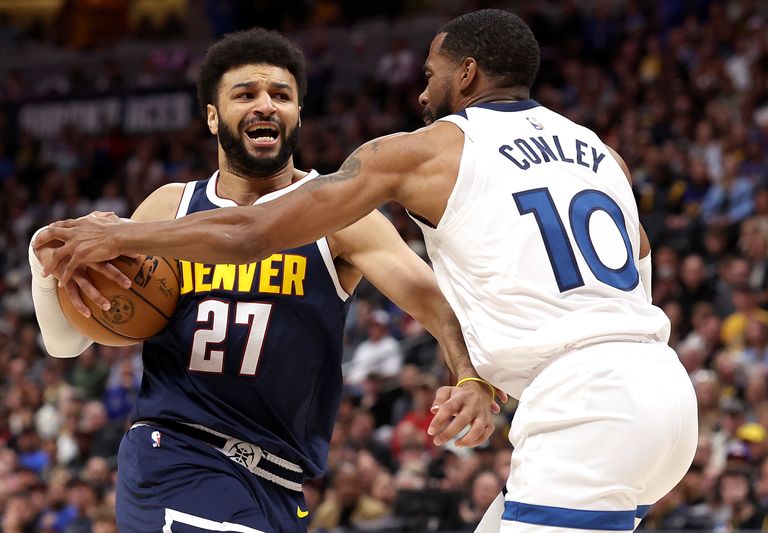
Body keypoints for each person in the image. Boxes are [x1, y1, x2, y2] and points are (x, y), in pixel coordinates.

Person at [37, 10, 699, 533]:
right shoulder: (598, 152)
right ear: (213, 114)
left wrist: (119, 232)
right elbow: (636, 253)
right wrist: (478, 372)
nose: (420, 89)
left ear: (465, 75)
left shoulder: (422, 152)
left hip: (581, 401)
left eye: (431, 73)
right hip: (663, 391)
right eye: (246, 93)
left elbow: (257, 232)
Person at [29, 29, 497, 533]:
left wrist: (471, 375)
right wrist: (43, 265)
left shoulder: (341, 214)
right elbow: (65, 343)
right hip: (178, 459)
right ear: (213, 116)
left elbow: (435, 304)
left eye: (281, 95)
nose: (265, 105)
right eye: (245, 94)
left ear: (298, 114)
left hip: (280, 487)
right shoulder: (169, 207)